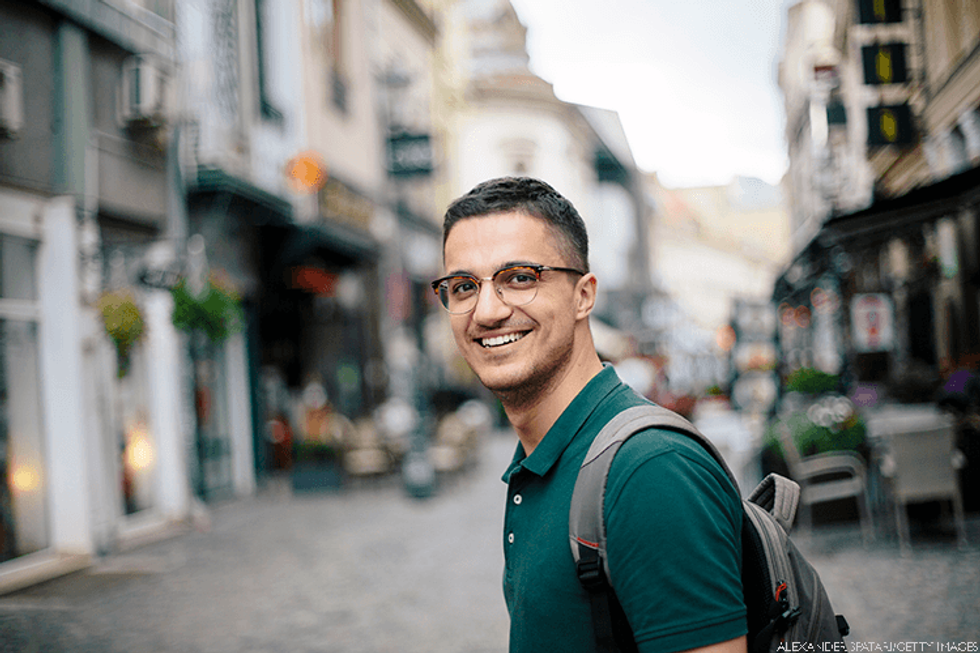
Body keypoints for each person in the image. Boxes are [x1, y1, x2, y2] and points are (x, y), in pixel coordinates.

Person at [432, 177, 747, 653]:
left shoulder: (649, 470)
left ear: (583, 295)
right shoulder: (543, 459)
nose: (487, 311)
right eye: (462, 287)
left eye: (519, 277)